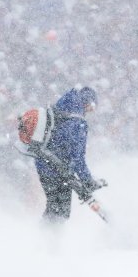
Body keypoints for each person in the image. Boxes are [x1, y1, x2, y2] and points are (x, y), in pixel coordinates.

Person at [32, 86, 105, 222]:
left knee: (53, 206)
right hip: (57, 169)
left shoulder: (63, 107)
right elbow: (77, 157)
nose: (91, 112)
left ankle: (44, 236)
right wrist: (87, 180)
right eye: (92, 107)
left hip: (44, 163)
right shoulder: (78, 122)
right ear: (89, 103)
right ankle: (48, 238)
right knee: (60, 212)